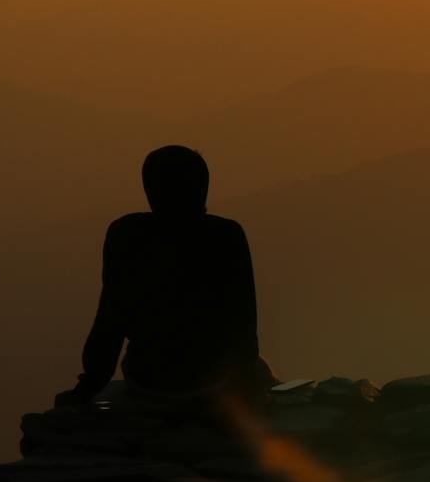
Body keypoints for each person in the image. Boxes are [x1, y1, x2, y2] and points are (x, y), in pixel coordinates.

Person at [55, 145, 271, 409]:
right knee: (261, 370)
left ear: (150, 189)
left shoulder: (126, 234)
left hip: (149, 381)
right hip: (212, 386)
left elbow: (109, 321)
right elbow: (244, 329)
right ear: (202, 187)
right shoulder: (226, 236)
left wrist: (87, 385)